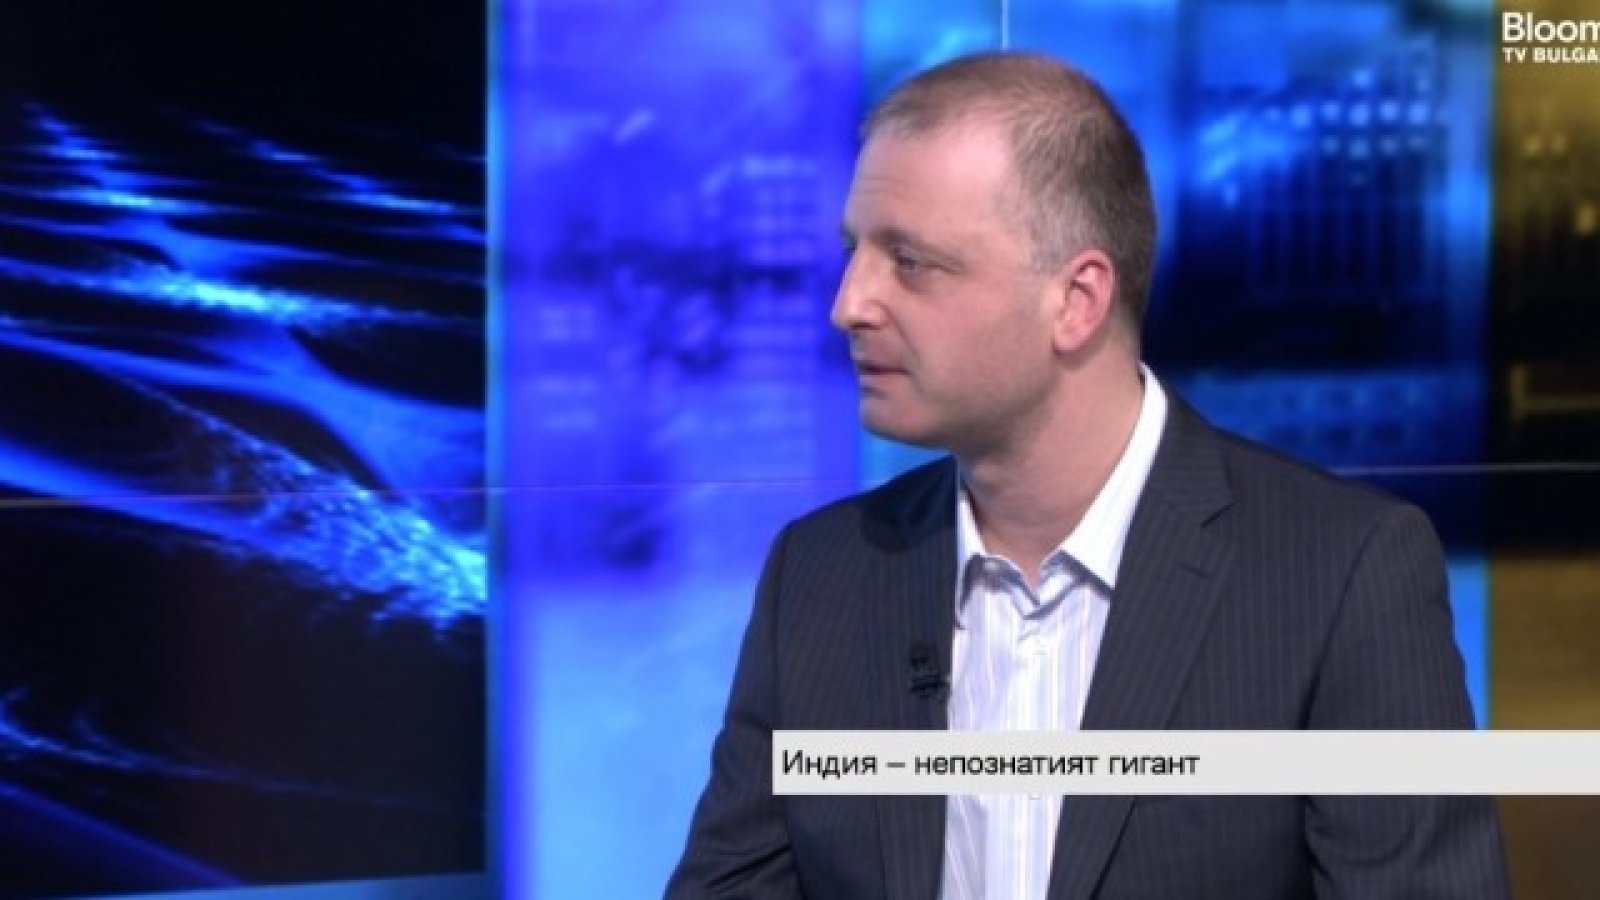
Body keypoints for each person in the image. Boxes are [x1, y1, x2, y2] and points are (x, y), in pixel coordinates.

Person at [667, 51, 1509, 899]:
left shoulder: (1341, 575)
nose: (849, 304)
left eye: (911, 262)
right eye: (856, 251)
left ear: (1076, 300)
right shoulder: (820, 575)